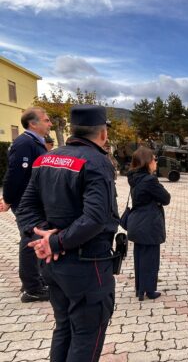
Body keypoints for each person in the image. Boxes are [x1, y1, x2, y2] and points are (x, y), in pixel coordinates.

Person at [15, 105, 119, 361]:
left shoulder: (45, 159)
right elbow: (96, 218)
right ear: (103, 133)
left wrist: (41, 237)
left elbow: (26, 206)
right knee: (86, 335)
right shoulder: (97, 162)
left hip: (52, 266)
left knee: (64, 328)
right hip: (87, 266)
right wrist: (55, 243)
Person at [0, 107, 51, 303]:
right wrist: (9, 200)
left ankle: (35, 281)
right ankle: (32, 289)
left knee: (35, 240)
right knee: (30, 242)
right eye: (46, 120)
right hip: (26, 202)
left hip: (34, 201)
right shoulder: (24, 143)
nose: (49, 124)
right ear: (33, 123)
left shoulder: (34, 143)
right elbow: (14, 175)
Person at [127, 146, 171, 301]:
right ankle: (149, 290)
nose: (156, 162)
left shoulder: (133, 177)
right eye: (154, 159)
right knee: (151, 258)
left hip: (137, 222)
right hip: (149, 223)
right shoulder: (150, 180)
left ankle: (140, 288)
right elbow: (166, 198)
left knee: (139, 257)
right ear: (147, 162)